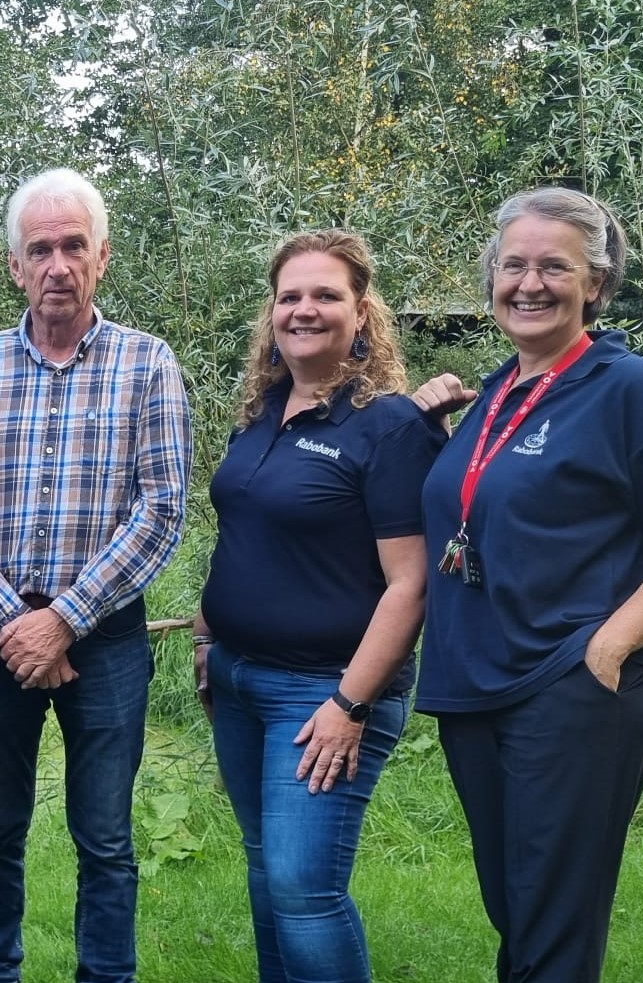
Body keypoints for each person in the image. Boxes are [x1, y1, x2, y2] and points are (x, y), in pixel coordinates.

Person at [410, 187, 643, 982]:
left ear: (595, 281)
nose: (530, 283)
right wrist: (432, 434)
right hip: (477, 684)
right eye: (513, 265)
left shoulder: (632, 389)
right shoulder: (496, 393)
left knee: (552, 926)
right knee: (518, 912)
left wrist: (608, 648)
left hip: (572, 684)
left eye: (554, 267)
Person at [0, 168, 192, 983]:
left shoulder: (148, 363)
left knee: (106, 837)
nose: (57, 265)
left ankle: (106, 974)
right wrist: (20, 622)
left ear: (102, 256)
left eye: (73, 246)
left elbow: (162, 510)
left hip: (105, 636)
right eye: (39, 249)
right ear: (14, 265)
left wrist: (65, 619)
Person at [189, 230, 444, 983]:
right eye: (289, 296)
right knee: (268, 871)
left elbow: (411, 584)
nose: (304, 309)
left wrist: (349, 703)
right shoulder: (261, 411)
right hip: (238, 680)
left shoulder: (389, 426)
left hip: (324, 691)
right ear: (271, 312)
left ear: (361, 313)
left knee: (305, 888)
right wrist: (206, 643)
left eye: (326, 295)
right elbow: (242, 532)